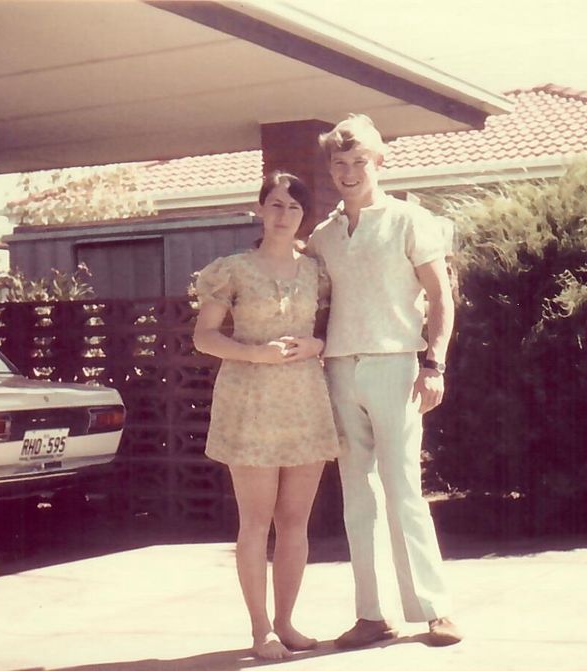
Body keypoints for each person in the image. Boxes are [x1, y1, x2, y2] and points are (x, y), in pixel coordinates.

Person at [306, 114, 462, 648]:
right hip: (339, 369)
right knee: (357, 495)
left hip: (397, 366)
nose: (349, 172)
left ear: (379, 163)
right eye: (340, 163)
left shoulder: (409, 220)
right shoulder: (323, 236)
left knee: (403, 491)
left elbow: (441, 298)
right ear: (331, 168)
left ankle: (436, 610)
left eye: (359, 162)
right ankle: (371, 614)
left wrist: (434, 364)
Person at [192, 171, 342, 660]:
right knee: (256, 521)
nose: (283, 215)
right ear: (261, 210)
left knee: (295, 521)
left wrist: (317, 343)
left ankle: (287, 622)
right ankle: (261, 630)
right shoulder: (231, 269)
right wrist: (253, 354)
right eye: (275, 205)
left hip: (303, 399)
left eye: (293, 208)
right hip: (249, 399)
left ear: (304, 216)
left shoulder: (317, 271)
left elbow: (338, 328)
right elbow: (204, 336)